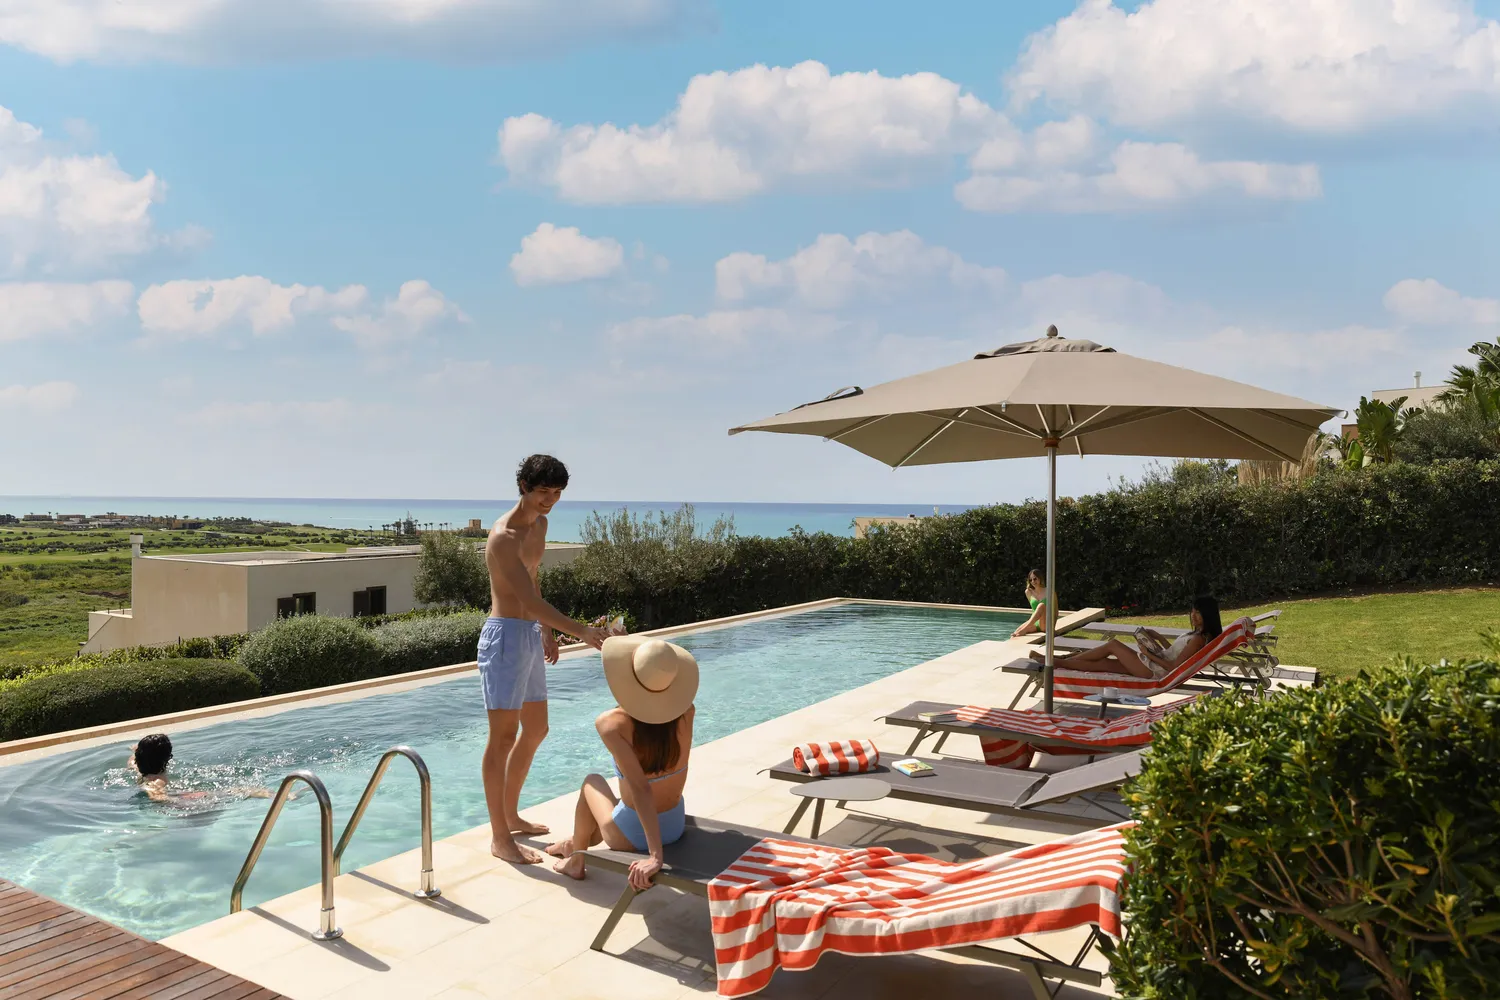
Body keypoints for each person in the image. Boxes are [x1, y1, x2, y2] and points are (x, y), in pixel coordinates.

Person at [481, 454, 611, 865]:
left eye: (556, 494)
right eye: (543, 492)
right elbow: (526, 598)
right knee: (502, 739)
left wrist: (547, 631)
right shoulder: (504, 537)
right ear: (523, 485)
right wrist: (582, 632)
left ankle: (511, 815)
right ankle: (500, 838)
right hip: (504, 638)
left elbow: (534, 577)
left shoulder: (541, 526)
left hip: (529, 635)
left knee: (536, 729)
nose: (550, 501)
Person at [545, 634, 699, 888]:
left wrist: (655, 856)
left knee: (592, 783)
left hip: (634, 835)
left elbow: (641, 789)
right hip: (674, 824)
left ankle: (575, 861)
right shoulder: (686, 711)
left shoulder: (610, 724)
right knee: (605, 814)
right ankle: (573, 843)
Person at [1038, 595, 1223, 678]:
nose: (1193, 616)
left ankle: (1056, 661)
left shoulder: (1199, 639)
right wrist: (1157, 638)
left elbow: (1174, 667)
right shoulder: (1198, 635)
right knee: (1103, 664)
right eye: (1192, 611)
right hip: (1156, 663)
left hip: (1155, 671)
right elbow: (1173, 654)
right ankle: (1059, 661)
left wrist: (1147, 653)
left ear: (1208, 615)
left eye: (1198, 613)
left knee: (1113, 645)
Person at [127, 733, 269, 803]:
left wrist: (135, 751)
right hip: (182, 800)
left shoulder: (140, 770)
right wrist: (188, 798)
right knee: (242, 790)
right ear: (167, 757)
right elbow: (157, 797)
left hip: (174, 792)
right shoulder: (158, 779)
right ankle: (285, 796)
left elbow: (132, 761)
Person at [1012, 569, 1050, 637]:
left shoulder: (1048, 590)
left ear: (1040, 578)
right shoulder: (1028, 592)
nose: (1033, 581)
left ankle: (1024, 630)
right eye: (1030, 580)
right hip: (1034, 623)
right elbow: (1034, 609)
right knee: (1016, 632)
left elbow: (1054, 609)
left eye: (1035, 579)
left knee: (1041, 605)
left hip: (1045, 622)